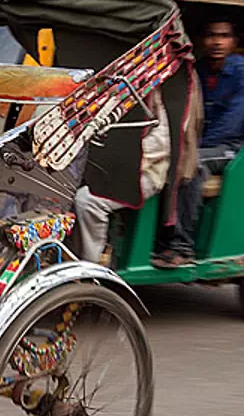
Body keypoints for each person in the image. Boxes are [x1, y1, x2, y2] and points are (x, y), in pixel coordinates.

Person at [154, 18, 244, 267]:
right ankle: (160, 238)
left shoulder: (240, 72)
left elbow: (231, 124)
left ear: (234, 42)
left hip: (232, 149)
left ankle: (182, 246)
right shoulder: (199, 70)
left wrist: (189, 150)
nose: (217, 42)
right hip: (199, 143)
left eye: (224, 36)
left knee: (192, 165)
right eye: (211, 35)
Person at [75, 92, 170, 263]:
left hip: (145, 172)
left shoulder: (161, 100)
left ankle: (89, 265)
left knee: (87, 202)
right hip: (105, 167)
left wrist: (117, 158)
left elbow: (162, 144)